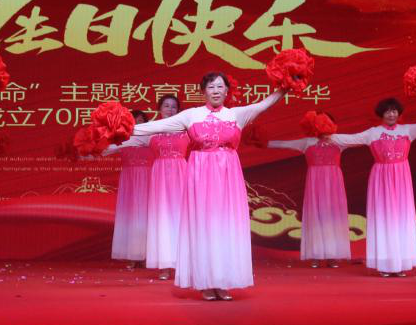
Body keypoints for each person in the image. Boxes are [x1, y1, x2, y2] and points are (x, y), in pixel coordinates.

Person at [121, 73, 284, 300]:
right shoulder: (191, 115)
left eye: (220, 86)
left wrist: (286, 85)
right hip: (201, 176)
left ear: (227, 91)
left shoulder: (236, 114)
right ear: (203, 91)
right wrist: (119, 127)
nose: (216, 91)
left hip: (228, 176)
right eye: (211, 87)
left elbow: (265, 104)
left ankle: (223, 281)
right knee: (203, 227)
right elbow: (153, 127)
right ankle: (205, 282)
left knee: (226, 227)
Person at [332, 98, 416, 277]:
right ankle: (384, 264)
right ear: (381, 114)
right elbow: (348, 139)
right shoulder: (373, 133)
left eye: (394, 111)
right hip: (381, 178)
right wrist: (326, 134)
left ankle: (401, 263)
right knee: (384, 219)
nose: (392, 114)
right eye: (388, 111)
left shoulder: (407, 131)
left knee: (401, 219)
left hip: (401, 178)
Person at [267, 114, 351, 267]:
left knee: (333, 216)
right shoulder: (307, 142)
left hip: (333, 184)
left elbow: (361, 138)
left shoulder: (339, 140)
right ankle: (315, 254)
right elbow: (284, 144)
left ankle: (333, 255)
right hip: (315, 184)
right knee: (315, 216)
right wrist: (262, 142)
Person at [105, 110, 155, 269]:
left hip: (148, 179)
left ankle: (147, 255)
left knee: (148, 217)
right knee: (131, 218)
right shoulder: (121, 139)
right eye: (134, 121)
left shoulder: (151, 137)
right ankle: (131, 255)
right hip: (130, 181)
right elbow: (104, 151)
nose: (137, 124)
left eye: (141, 121)